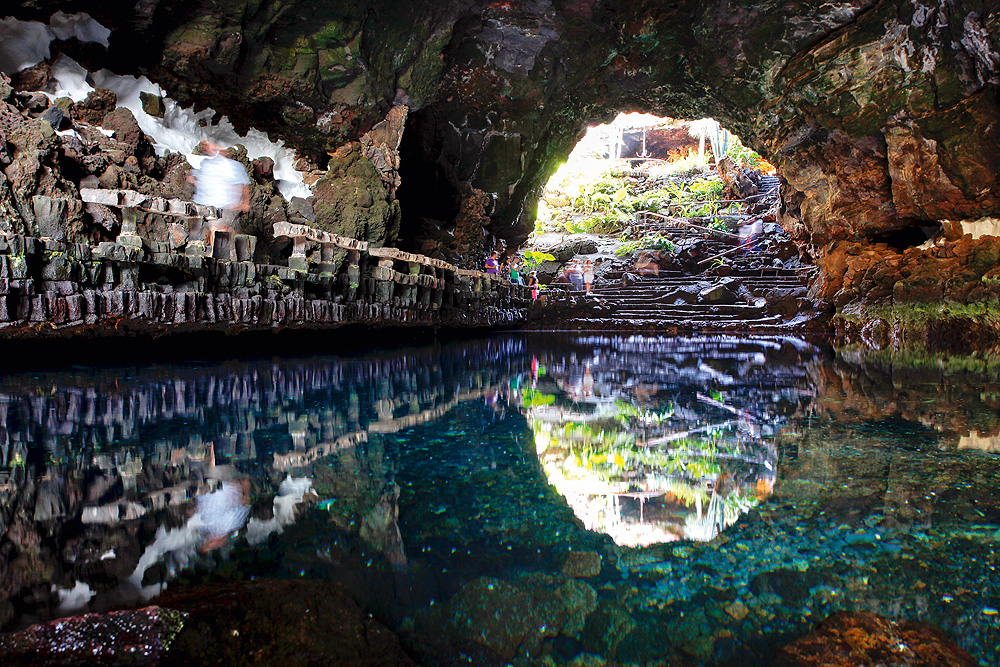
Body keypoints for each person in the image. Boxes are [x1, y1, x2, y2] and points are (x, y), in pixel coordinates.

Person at [191, 140, 251, 255]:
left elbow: (244, 185)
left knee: (217, 228)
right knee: (208, 229)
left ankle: (215, 255)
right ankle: (223, 248)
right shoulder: (205, 164)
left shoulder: (233, 166)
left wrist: (244, 203)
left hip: (225, 205)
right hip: (206, 204)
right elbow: (199, 181)